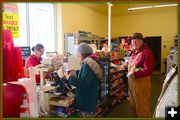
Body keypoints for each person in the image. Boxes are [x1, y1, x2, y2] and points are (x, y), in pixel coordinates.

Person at [65, 43, 104, 118]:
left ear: (82, 54)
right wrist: (75, 72)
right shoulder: (91, 61)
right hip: (90, 97)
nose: (77, 55)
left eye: (78, 53)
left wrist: (69, 78)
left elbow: (83, 82)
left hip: (86, 100)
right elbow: (87, 76)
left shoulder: (87, 64)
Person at [126, 33, 154, 117]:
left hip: (141, 85)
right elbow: (133, 64)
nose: (134, 43)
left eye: (137, 41)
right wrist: (124, 65)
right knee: (133, 106)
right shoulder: (134, 52)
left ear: (142, 42)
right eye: (133, 41)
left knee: (142, 108)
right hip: (132, 84)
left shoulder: (146, 52)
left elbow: (148, 69)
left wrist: (135, 74)